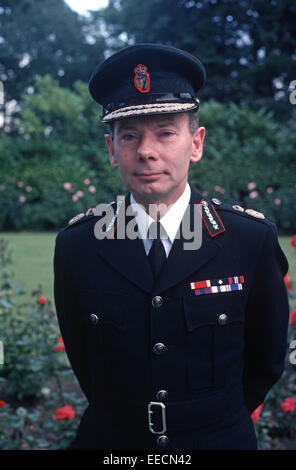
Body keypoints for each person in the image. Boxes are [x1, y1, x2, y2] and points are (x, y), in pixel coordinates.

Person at [53, 44, 290, 450]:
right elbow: (82, 358)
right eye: (129, 136)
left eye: (165, 132)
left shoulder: (249, 240)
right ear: (111, 149)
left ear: (195, 143)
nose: (146, 152)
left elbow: (266, 361)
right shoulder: (79, 245)